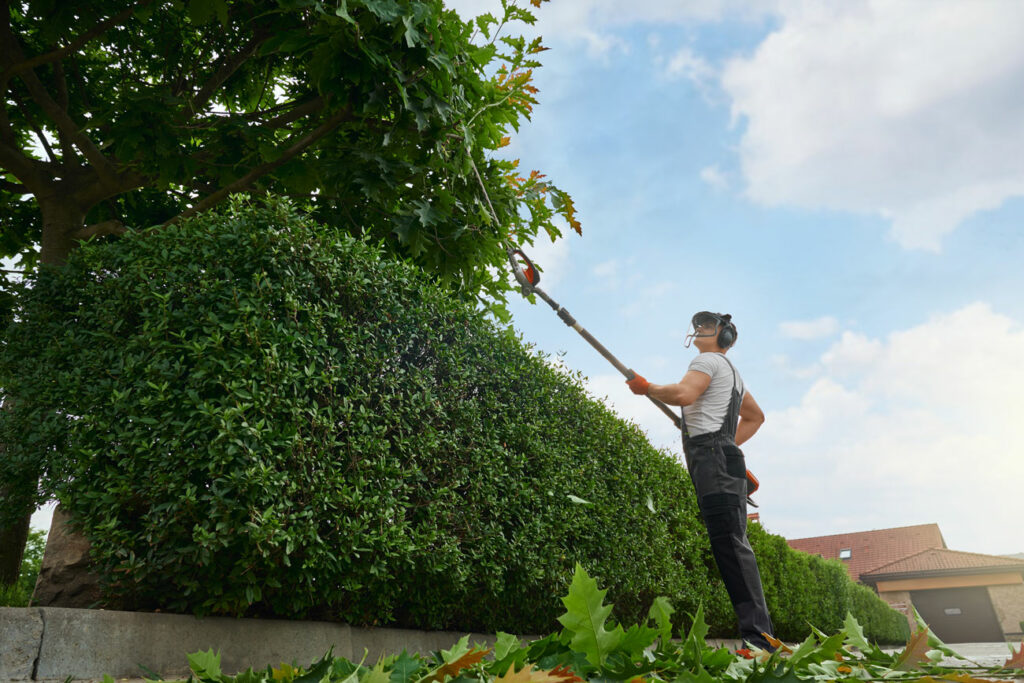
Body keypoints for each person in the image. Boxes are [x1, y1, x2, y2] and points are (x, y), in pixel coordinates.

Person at [625, 311, 775, 651]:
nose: (699, 330)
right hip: (721, 457)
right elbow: (755, 417)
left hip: (713, 460)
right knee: (733, 545)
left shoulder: (707, 362)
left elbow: (683, 395)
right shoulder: (732, 374)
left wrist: (647, 388)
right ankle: (761, 638)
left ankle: (760, 642)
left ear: (725, 337)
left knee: (731, 548)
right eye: (697, 325)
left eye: (708, 326)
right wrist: (728, 445)